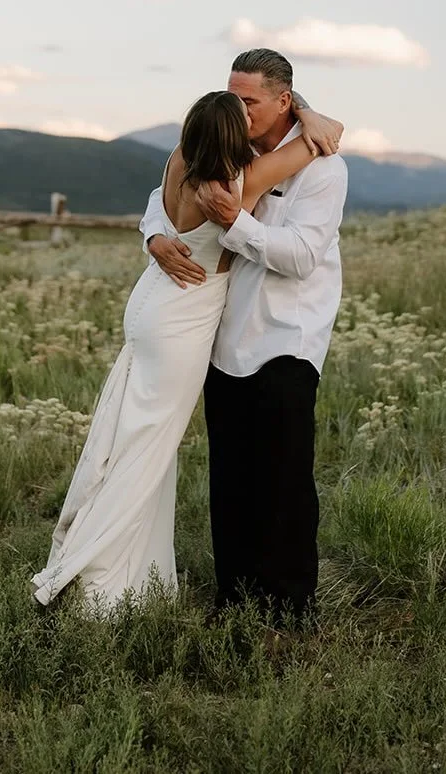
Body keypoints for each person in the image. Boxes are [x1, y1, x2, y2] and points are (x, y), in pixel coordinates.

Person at [31, 88, 340, 612]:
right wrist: (307, 114)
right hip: (180, 322)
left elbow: (156, 205)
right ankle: (96, 582)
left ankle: (117, 566)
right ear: (232, 136)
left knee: (127, 434)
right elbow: (319, 143)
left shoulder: (180, 161)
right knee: (146, 449)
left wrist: (154, 236)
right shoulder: (233, 187)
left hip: (153, 302)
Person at [142, 48, 348, 624]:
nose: (237, 108)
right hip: (222, 337)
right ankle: (233, 600)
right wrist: (153, 238)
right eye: (231, 96)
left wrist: (236, 223)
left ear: (284, 101)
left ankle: (288, 611)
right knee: (229, 479)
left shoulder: (323, 167)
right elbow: (163, 199)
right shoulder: (229, 150)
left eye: (249, 100)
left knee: (283, 481)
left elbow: (304, 257)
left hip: (287, 338)